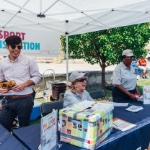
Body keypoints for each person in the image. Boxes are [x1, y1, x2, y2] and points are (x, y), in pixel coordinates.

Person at [0, 35, 41, 131]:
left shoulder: (29, 60)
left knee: (24, 129)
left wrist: (24, 84)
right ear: (7, 47)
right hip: (8, 100)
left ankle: (22, 145)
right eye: (13, 46)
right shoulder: (2, 62)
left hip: (25, 100)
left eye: (19, 47)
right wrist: (3, 87)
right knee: (3, 126)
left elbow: (37, 76)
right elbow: (1, 79)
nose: (16, 49)